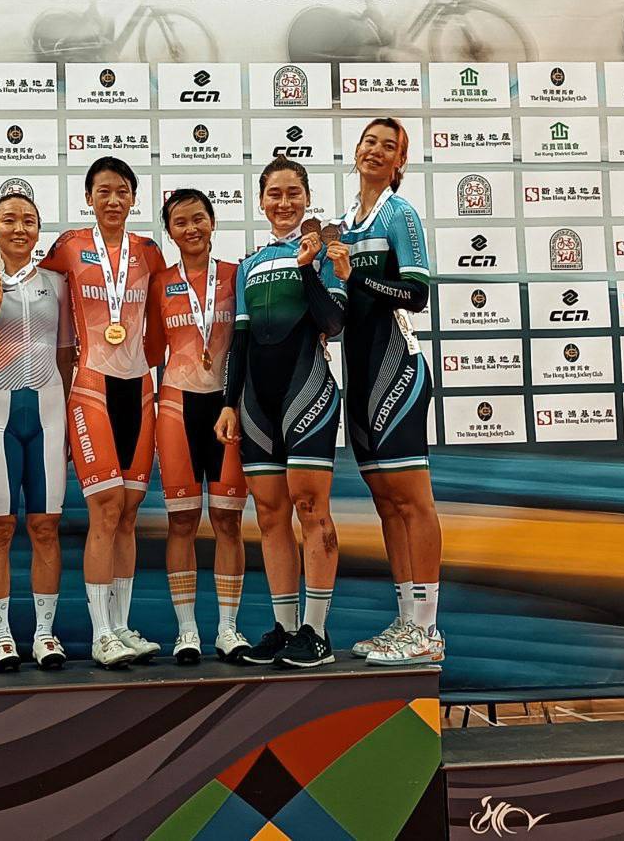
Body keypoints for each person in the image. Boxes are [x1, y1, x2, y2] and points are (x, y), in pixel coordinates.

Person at [215, 156, 350, 668]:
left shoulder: (325, 252)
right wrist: (229, 404)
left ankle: (316, 632)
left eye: (293, 192)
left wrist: (308, 268)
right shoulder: (249, 264)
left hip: (307, 392)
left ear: (307, 197)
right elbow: (241, 341)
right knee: (270, 516)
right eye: (275, 193)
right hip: (256, 403)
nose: (284, 202)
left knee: (311, 509)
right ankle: (286, 627)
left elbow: (333, 323)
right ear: (261, 200)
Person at [42, 157, 166, 668]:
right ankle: (100, 634)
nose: (113, 200)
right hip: (91, 386)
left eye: (122, 191)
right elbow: (38, 305)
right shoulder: (69, 247)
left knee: (130, 512)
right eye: (103, 191)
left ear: (134, 198)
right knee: (106, 508)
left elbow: (163, 321)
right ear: (89, 198)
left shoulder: (149, 251)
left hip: (139, 388)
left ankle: (122, 626)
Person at [336, 118, 444, 666]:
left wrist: (355, 275)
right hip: (358, 373)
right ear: (355, 151)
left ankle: (426, 628)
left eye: (389, 146)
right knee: (386, 503)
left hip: (396, 367)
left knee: (412, 501)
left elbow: (416, 293)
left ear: (400, 162)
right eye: (369, 142)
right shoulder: (340, 224)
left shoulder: (399, 214)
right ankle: (406, 621)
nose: (375, 151)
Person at [0, 194, 74, 672]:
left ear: (38, 230)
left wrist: (69, 421)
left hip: (48, 414)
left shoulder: (56, 283)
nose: (19, 228)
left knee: (45, 526)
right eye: (9, 220)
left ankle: (44, 634)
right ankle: (2, 636)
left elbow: (65, 354)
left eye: (28, 221)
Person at [148, 189, 250, 665]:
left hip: (228, 406)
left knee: (228, 520)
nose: (191, 229)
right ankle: (186, 631)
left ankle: (228, 628)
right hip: (176, 405)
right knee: (183, 520)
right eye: (180, 222)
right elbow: (151, 350)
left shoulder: (237, 275)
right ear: (169, 232)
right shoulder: (159, 283)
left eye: (198, 219)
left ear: (213, 222)